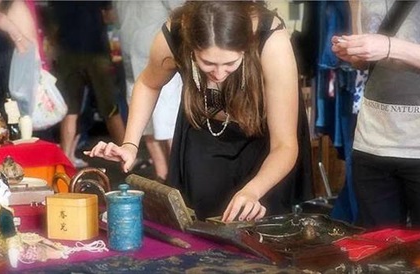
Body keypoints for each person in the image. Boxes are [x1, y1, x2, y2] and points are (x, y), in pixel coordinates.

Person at [87, 1, 306, 222]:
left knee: (261, 229)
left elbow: (284, 145)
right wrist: (130, 145)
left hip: (266, 144)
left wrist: (253, 191)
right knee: (197, 223)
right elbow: (148, 83)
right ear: (192, 48)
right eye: (208, 63)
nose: (219, 74)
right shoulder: (176, 33)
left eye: (230, 63)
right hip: (204, 132)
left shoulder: (271, 41)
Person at [331, 0, 420, 232]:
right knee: (380, 254)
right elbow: (365, 62)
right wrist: (353, 52)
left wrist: (390, 46)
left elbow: (386, 47)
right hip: (371, 142)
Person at [114, 0, 183, 182]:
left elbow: (184, 13)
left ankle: (174, 175)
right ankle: (162, 174)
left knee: (166, 122)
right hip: (134, 52)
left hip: (159, 53)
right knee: (149, 122)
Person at [51, 1, 126, 167]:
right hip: (96, 50)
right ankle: (126, 154)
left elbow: (54, 21)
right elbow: (109, 16)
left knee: (70, 109)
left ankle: (64, 160)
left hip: (67, 52)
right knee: (110, 107)